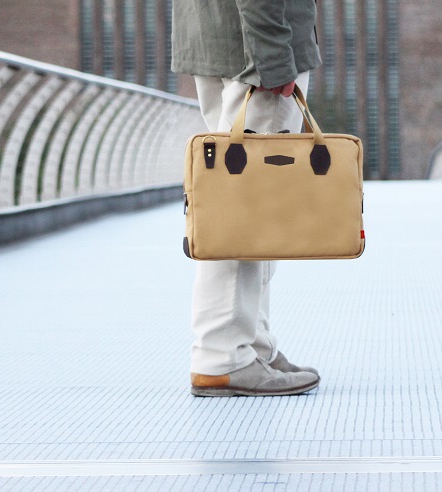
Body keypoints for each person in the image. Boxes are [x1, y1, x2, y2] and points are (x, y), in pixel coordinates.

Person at [172, 0, 322, 397]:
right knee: (243, 210)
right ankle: (223, 357)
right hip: (256, 50)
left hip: (220, 40)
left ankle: (253, 346)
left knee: (251, 208)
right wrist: (273, 56)